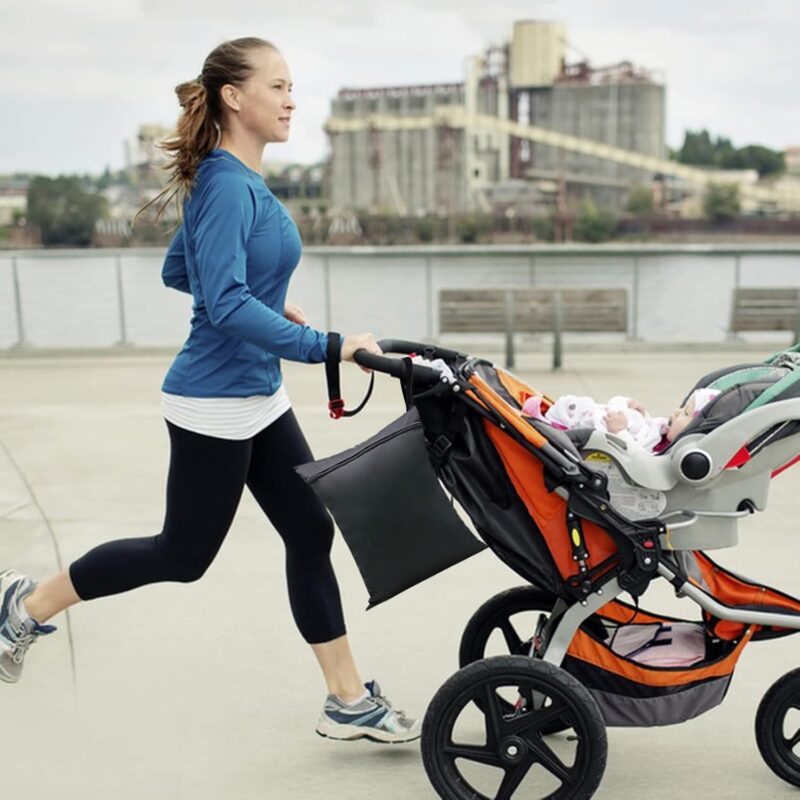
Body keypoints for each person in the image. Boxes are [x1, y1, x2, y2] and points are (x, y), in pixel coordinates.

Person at [0, 37, 420, 745]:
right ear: (235, 96)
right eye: (279, 87)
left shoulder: (236, 182)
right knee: (182, 555)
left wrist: (257, 297)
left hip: (256, 393)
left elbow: (179, 271)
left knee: (309, 528)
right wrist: (326, 345)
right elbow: (221, 306)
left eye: (293, 87)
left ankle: (347, 699)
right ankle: (26, 605)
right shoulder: (226, 183)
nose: (293, 100)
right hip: (215, 399)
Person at [522, 388, 720, 452]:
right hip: (620, 430)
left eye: (685, 414)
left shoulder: (672, 454)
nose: (676, 412)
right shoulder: (667, 435)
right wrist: (643, 415)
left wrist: (620, 431)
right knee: (589, 407)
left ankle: (550, 423)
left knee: (591, 418)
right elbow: (648, 433)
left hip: (616, 453)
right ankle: (557, 416)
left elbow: (639, 459)